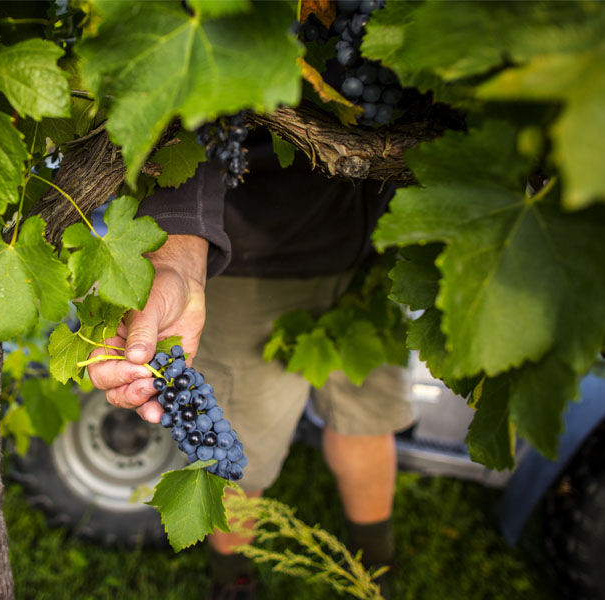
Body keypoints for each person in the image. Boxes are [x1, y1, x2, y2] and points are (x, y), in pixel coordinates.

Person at [86, 130, 414, 599]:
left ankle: (378, 572)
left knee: (368, 419)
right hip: (253, 260)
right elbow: (193, 123)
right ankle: (232, 581)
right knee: (235, 455)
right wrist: (181, 249)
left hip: (369, 254)